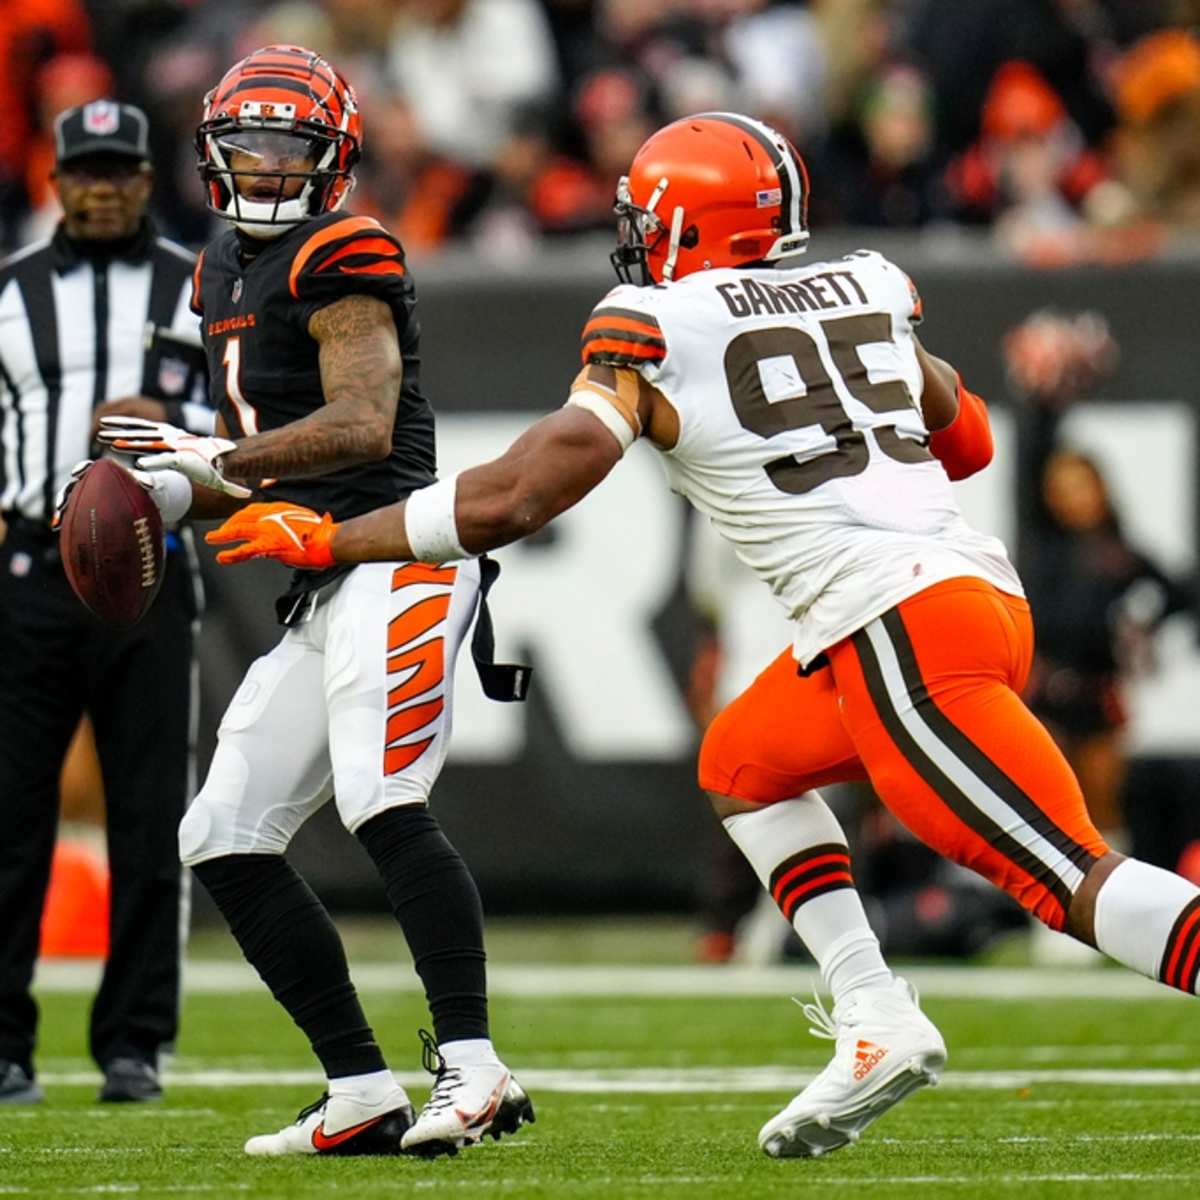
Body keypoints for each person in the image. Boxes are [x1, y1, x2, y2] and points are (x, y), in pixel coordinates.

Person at [199, 113, 1200, 1160]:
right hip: (951, 604)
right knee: (744, 763)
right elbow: (969, 438)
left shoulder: (654, 322)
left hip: (900, 624)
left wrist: (334, 540)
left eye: (644, 215)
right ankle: (873, 1014)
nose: (630, 234)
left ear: (682, 223)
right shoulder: (867, 286)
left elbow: (520, 495)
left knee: (1064, 878)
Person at [93, 45, 532, 1158]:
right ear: (215, 154)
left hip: (399, 554)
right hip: (323, 579)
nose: (269, 164)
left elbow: (360, 425)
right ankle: (360, 1085)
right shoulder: (217, 271)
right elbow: (245, 463)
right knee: (222, 835)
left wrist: (210, 456)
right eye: (249, 144)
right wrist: (156, 486)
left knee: (385, 798)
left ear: (333, 158)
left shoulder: (344, 252)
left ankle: (476, 1072)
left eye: (291, 144)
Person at [0, 99, 210, 1105]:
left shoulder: (198, 287)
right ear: (56, 181)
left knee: (148, 818)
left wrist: (173, 427)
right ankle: (2, 1044)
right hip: (29, 570)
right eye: (85, 170)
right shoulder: (7, 292)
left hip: (151, 569)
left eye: (120, 170)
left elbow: (242, 419)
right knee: (9, 820)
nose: (101, 187)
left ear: (145, 178)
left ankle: (134, 1042)